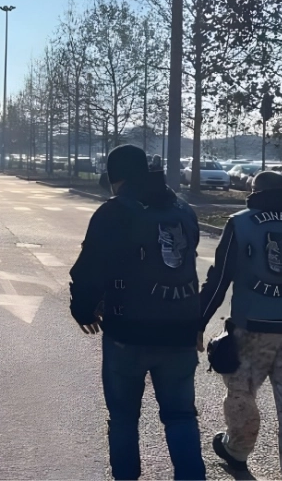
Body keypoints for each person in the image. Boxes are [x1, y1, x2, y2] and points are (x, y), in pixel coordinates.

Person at [69, 144, 205, 481]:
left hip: (128, 331)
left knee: (124, 418)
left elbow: (89, 269)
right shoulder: (183, 209)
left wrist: (84, 310)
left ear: (116, 178)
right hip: (180, 330)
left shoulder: (114, 212)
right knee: (181, 416)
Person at [199, 170, 282, 479]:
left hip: (251, 330)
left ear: (255, 191)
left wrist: (199, 320)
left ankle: (237, 449)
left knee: (241, 395)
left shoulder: (240, 223)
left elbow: (220, 277)